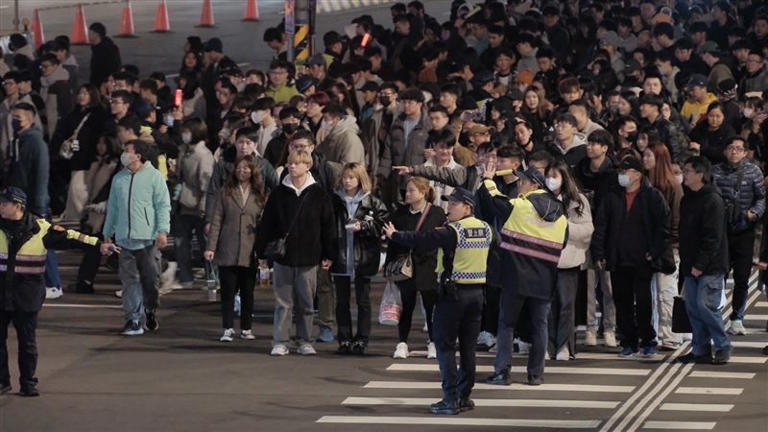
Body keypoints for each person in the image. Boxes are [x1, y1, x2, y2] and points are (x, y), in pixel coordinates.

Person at [384, 187, 493, 415]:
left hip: (453, 296)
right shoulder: (486, 229)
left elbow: (423, 239)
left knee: (444, 346)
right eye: (448, 203)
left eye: (454, 203)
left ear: (468, 207)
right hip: (477, 295)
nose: (449, 207)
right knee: (468, 348)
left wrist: (395, 235)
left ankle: (450, 399)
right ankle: (464, 397)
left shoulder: (454, 231)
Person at [0, 187, 110, 397]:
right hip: (1, 293)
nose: (0, 206)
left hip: (27, 295)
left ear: (18, 206)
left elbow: (71, 237)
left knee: (27, 343)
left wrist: (98, 244)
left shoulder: (41, 228)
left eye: (4, 203)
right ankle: (2, 381)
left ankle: (28, 382)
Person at [477, 165, 567, 385]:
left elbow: (494, 200)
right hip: (545, 279)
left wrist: (488, 179)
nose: (518, 186)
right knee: (540, 326)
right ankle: (536, 374)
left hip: (515, 276)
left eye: (522, 182)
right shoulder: (561, 212)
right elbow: (562, 243)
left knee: (507, 324)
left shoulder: (521, 206)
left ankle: (502, 372)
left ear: (534, 184)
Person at [255, 150, 336, 356]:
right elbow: (267, 224)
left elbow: (328, 226)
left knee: (306, 302)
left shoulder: (318, 193)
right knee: (283, 303)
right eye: (290, 163)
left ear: (307, 166)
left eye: (297, 163)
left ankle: (305, 340)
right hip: (283, 256)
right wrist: (262, 251)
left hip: (310, 256)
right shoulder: (279, 193)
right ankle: (280, 340)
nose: (292, 167)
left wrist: (329, 254)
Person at [591, 157, 671, 357]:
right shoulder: (612, 197)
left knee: (644, 302)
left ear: (637, 174)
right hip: (618, 258)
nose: (622, 175)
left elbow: (663, 227)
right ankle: (628, 341)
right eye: (621, 172)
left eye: (626, 172)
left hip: (643, 259)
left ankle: (648, 339)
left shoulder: (652, 196)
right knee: (622, 301)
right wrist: (599, 253)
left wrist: (654, 252)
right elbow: (601, 227)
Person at [102, 140, 172, 336]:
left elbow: (162, 206)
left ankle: (150, 310)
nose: (124, 154)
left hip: (148, 240)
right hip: (125, 240)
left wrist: (162, 231)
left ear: (138, 156)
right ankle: (133, 319)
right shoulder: (119, 179)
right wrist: (108, 235)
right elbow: (113, 209)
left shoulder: (154, 177)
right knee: (129, 280)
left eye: (127, 151)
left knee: (151, 281)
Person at [677, 156, 731, 365]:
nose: (685, 174)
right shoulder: (688, 198)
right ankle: (700, 349)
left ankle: (723, 345)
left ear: (700, 174)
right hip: (690, 262)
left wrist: (700, 265)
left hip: (711, 265)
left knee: (705, 305)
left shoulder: (712, 200)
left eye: (688, 171)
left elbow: (713, 237)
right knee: (692, 307)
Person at [205, 155, 265, 342]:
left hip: (250, 249)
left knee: (248, 292)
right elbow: (216, 220)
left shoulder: (260, 193)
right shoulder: (226, 191)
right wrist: (211, 247)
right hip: (227, 247)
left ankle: (246, 328)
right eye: (239, 167)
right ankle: (228, 327)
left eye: (246, 168)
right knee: (228, 291)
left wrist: (263, 252)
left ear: (253, 170)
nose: (242, 171)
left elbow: (264, 223)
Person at [385, 177, 446, 359]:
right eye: (407, 190)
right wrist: (389, 263)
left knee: (430, 306)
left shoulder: (436, 213)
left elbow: (430, 238)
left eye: (412, 190)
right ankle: (402, 342)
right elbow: (392, 240)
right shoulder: (400, 213)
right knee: (406, 305)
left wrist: (400, 236)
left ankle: (433, 342)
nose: (407, 194)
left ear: (423, 193)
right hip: (406, 265)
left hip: (429, 264)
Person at [331, 163, 388, 355]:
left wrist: (363, 226)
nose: (347, 181)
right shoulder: (334, 200)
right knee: (341, 301)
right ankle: (344, 338)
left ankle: (362, 339)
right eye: (345, 177)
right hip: (340, 254)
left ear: (360, 179)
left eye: (351, 177)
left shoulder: (372, 202)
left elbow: (383, 225)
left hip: (363, 256)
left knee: (363, 300)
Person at [712, 136, 765, 335]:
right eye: (730, 148)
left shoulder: (754, 172)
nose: (734, 152)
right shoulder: (716, 172)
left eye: (738, 149)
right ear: (725, 151)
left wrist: (754, 213)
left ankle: (737, 317)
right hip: (721, 231)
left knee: (742, 277)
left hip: (744, 230)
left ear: (745, 152)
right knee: (719, 275)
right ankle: (716, 314)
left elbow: (761, 198)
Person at [546, 161, 593, 360]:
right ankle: (547, 347)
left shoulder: (578, 201)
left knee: (566, 305)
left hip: (569, 260)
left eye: (555, 176)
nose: (551, 180)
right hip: (545, 260)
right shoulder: (541, 199)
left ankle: (564, 346)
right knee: (547, 307)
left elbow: (587, 231)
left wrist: (565, 226)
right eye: (548, 175)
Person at [642, 143, 684, 350]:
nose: (645, 158)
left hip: (668, 248)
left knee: (666, 292)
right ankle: (654, 333)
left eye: (649, 155)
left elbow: (676, 220)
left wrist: (671, 244)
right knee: (649, 294)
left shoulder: (671, 186)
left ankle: (671, 335)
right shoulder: (644, 183)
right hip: (646, 247)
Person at [172, 118, 215, 290]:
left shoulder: (203, 155)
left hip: (198, 206)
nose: (184, 134)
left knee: (206, 245)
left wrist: (205, 209)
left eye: (188, 131)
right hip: (184, 203)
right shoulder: (184, 151)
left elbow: (206, 185)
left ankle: (212, 278)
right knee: (181, 243)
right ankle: (185, 277)